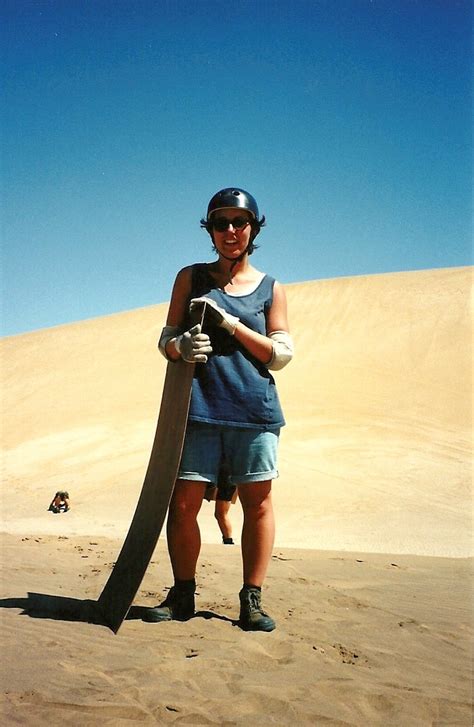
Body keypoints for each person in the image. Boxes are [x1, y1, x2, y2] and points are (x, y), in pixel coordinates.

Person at [145, 187, 293, 631]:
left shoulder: (271, 288)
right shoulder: (190, 278)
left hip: (255, 411)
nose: (230, 231)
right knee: (185, 502)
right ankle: (183, 594)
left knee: (259, 503)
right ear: (209, 230)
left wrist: (231, 324)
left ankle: (252, 598)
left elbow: (281, 354)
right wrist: (180, 345)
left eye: (239, 222)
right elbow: (165, 338)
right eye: (220, 223)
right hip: (198, 409)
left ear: (253, 228)